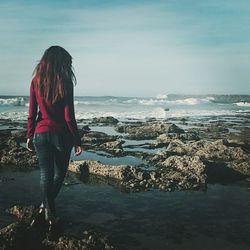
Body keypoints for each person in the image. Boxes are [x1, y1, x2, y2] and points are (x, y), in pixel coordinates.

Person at [26, 45, 82, 230]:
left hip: (40, 134)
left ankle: (45, 208)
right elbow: (69, 117)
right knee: (59, 174)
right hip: (61, 136)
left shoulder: (35, 81)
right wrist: (77, 141)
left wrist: (29, 135)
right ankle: (49, 210)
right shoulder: (66, 82)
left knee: (46, 174)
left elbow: (32, 112)